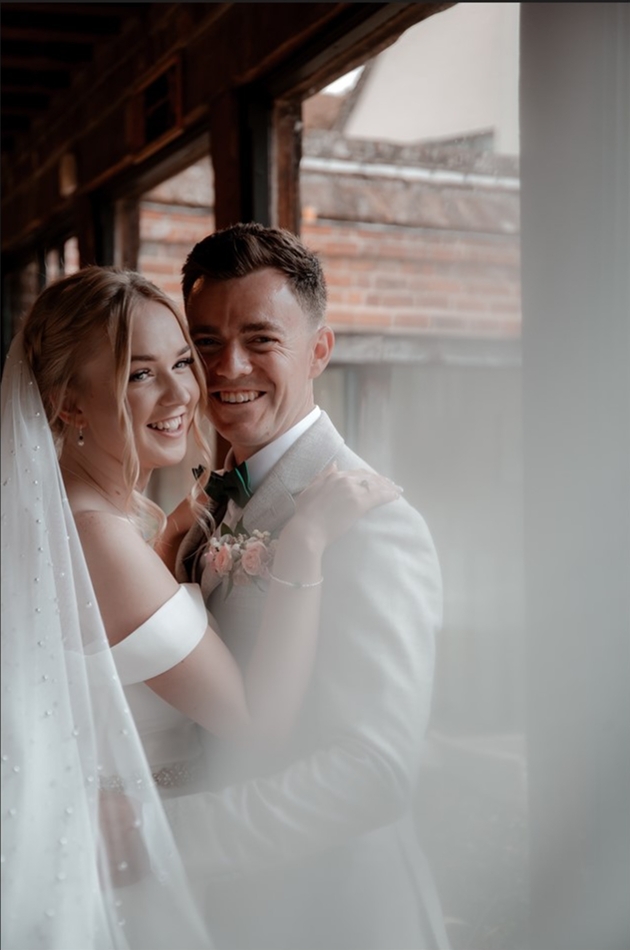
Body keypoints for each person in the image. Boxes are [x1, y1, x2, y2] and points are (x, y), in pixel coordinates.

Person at [0, 266, 397, 950]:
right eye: (138, 373)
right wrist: (303, 546)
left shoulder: (79, 521)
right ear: (67, 404)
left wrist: (162, 549)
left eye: (181, 360)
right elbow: (258, 724)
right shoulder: (94, 535)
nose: (184, 390)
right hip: (134, 878)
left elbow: (105, 663)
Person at [171, 223, 450, 950]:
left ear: (318, 351)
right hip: (226, 912)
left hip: (336, 915)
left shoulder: (374, 523)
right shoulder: (211, 498)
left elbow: (374, 772)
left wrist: (157, 834)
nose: (228, 367)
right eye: (205, 343)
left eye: (261, 339)